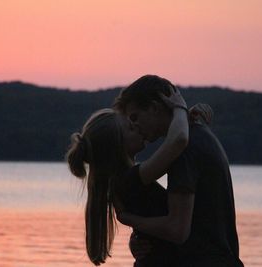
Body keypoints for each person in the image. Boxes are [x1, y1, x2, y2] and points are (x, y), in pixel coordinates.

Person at [66, 86, 210, 266]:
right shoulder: (131, 180)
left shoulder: (124, 182)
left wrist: (137, 227)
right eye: (129, 126)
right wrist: (179, 108)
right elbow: (178, 140)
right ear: (117, 147)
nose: (136, 125)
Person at [114, 75, 244, 267]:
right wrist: (139, 237)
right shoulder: (198, 134)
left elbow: (176, 229)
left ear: (154, 107)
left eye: (135, 116)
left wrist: (132, 220)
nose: (135, 125)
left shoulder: (183, 150)